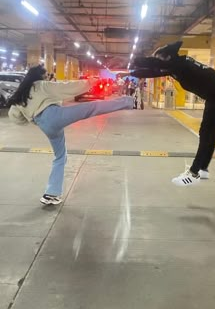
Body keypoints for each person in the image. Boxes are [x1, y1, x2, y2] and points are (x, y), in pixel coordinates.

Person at [8, 65, 133, 205]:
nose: (47, 77)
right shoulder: (41, 85)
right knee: (92, 107)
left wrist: (31, 119)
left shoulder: (21, 94)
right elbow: (65, 87)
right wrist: (89, 82)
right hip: (55, 115)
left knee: (60, 157)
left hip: (44, 125)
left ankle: (51, 193)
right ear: (39, 76)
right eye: (45, 75)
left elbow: (14, 116)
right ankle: (127, 101)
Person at [131, 41, 215, 187]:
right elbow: (153, 72)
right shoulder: (175, 65)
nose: (159, 61)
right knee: (208, 130)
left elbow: (153, 64)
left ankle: (194, 173)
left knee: (206, 131)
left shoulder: (180, 64)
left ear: (168, 57)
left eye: (160, 58)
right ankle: (203, 169)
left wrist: (136, 60)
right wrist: (131, 73)